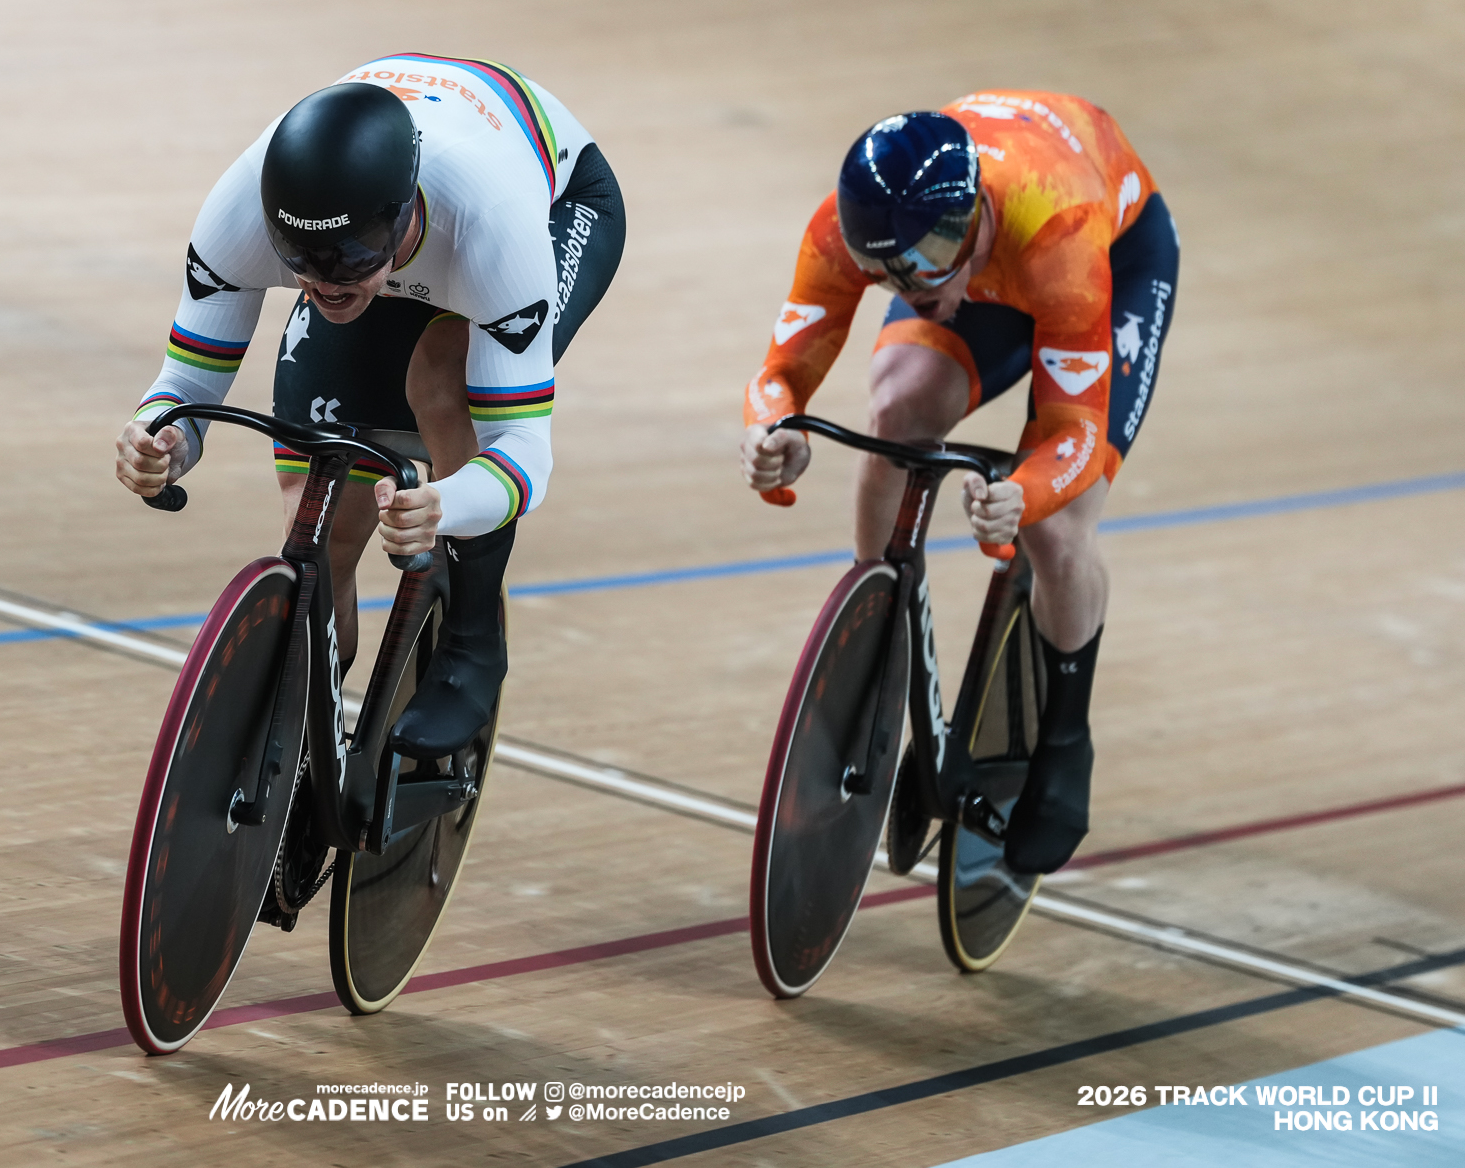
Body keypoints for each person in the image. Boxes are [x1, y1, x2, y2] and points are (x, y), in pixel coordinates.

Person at [117, 54, 624, 757]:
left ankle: (473, 642)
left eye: (352, 259)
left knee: (442, 380)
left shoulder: (492, 226)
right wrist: (163, 437)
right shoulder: (240, 213)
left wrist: (446, 503)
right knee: (316, 539)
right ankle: (308, 750)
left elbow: (523, 451)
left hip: (560, 200)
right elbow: (188, 386)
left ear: (405, 211)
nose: (326, 284)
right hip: (406, 234)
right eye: (301, 259)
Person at [739, 93, 1177, 873]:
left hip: (1102, 257)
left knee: (1058, 529)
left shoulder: (1058, 228)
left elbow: (1072, 433)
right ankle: (878, 625)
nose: (906, 286)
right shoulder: (861, 230)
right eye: (883, 273)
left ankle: (1067, 740)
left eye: (920, 265)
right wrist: (773, 429)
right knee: (898, 408)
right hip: (988, 275)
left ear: (969, 216)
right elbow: (779, 373)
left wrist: (1029, 492)